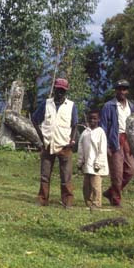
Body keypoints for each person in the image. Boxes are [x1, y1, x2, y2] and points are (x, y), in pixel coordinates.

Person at [32, 78, 78, 207]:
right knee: (45, 175)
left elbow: (74, 124)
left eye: (62, 91)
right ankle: (42, 199)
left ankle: (67, 201)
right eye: (58, 90)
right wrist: (41, 137)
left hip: (64, 145)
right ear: (54, 90)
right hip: (48, 144)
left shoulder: (71, 106)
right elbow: (35, 120)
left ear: (66, 92)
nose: (60, 93)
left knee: (66, 176)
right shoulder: (46, 104)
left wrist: (72, 140)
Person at [100, 79, 134, 207]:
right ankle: (116, 200)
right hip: (114, 139)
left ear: (127, 91)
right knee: (117, 172)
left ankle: (111, 192)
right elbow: (103, 127)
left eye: (124, 89)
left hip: (128, 139)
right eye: (119, 89)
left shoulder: (131, 106)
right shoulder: (109, 106)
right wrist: (106, 146)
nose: (121, 91)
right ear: (115, 91)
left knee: (130, 171)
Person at [76, 110, 109, 210]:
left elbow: (102, 149)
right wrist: (80, 161)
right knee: (86, 186)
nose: (92, 120)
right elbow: (80, 148)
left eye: (95, 118)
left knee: (95, 185)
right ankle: (88, 203)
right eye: (90, 118)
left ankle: (96, 203)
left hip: (96, 164)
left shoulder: (100, 132)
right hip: (86, 164)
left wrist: (98, 163)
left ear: (98, 119)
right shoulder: (85, 132)